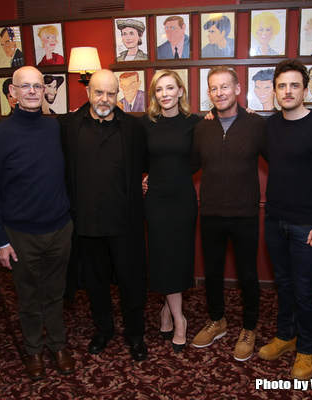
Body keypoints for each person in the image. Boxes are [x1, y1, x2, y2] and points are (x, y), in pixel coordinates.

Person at [0, 66, 75, 380]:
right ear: (13, 92)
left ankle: (58, 346)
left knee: (55, 294)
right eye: (26, 86)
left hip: (60, 230)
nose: (33, 91)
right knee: (28, 298)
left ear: (45, 91)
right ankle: (33, 349)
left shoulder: (55, 128)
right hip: (19, 235)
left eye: (38, 86)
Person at [258, 58, 312, 381]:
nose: (287, 91)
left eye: (294, 85)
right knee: (282, 285)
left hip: (308, 226)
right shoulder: (270, 126)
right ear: (275, 91)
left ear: (306, 90)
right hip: (275, 220)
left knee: (304, 290)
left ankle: (306, 349)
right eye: (282, 86)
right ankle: (286, 336)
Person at [57, 69, 148, 362]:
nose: (105, 99)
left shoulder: (133, 129)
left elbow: (160, 151)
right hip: (85, 223)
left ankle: (135, 334)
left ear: (118, 95)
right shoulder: (68, 127)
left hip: (123, 223)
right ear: (88, 93)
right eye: (99, 92)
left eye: (111, 93)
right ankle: (104, 329)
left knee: (130, 282)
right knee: (95, 283)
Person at [191, 66, 266, 362]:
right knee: (212, 272)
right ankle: (217, 320)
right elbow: (189, 165)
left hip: (244, 213)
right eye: (213, 88)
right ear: (209, 93)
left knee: (248, 274)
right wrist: (152, 176)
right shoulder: (202, 127)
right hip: (210, 212)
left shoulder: (257, 125)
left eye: (225, 87)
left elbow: (280, 160)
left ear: (237, 89)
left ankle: (249, 328)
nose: (219, 93)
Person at [141, 70, 201, 353]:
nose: (164, 94)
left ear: (180, 91)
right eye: (159, 90)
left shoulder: (196, 122)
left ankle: (169, 311)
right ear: (154, 95)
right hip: (156, 200)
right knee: (162, 257)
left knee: (178, 257)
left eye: (170, 88)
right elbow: (138, 157)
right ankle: (179, 318)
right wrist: (146, 175)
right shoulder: (146, 124)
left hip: (183, 200)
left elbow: (201, 157)